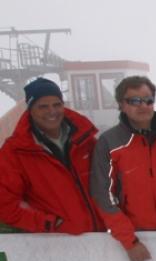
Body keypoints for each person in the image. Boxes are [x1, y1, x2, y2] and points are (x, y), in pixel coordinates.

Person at [90, 75, 156, 261]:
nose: (143, 106)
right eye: (135, 101)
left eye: (148, 100)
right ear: (122, 104)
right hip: (138, 239)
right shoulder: (110, 142)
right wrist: (129, 241)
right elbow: (103, 195)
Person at [0, 77, 104, 234]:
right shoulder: (15, 152)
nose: (52, 111)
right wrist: (50, 224)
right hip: (52, 245)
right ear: (30, 110)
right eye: (43, 106)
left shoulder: (86, 142)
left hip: (99, 239)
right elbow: (5, 205)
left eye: (57, 104)